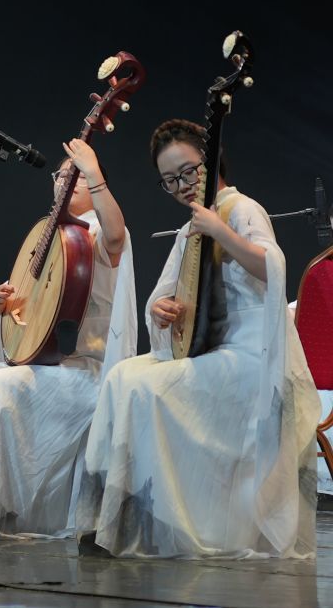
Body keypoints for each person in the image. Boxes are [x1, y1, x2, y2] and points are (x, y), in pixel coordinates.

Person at [75, 119, 320, 558]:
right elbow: (167, 295)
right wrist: (161, 310)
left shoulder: (241, 209)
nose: (182, 185)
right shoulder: (190, 228)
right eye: (170, 179)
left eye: (188, 171)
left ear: (210, 162)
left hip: (251, 355)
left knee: (147, 388)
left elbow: (273, 268)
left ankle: (155, 520)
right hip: (212, 349)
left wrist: (220, 230)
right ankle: (115, 519)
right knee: (121, 376)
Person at [0, 139, 137, 539]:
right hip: (47, 361)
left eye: (76, 176)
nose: (66, 180)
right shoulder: (52, 239)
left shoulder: (96, 234)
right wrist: (0, 303)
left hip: (85, 367)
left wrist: (92, 171)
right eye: (61, 175)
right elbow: (32, 310)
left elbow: (116, 234)